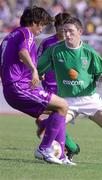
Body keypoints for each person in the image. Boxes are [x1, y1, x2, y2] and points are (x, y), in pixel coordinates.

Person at [37, 17, 102, 165]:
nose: (67, 35)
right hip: (66, 101)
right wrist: (37, 73)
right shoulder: (55, 50)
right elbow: (38, 68)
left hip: (90, 99)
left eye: (71, 31)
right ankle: (64, 150)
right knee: (54, 126)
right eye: (65, 31)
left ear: (80, 32)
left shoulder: (89, 52)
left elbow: (100, 74)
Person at [0, 6, 75, 165]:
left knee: (60, 108)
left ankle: (60, 155)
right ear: (34, 22)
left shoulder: (9, 36)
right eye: (41, 25)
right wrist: (33, 70)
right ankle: (44, 149)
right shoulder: (26, 33)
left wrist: (33, 72)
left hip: (13, 88)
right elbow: (23, 52)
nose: (42, 29)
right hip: (19, 87)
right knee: (63, 105)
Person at [36, 12, 80, 161]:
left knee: (59, 117)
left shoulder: (72, 43)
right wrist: (38, 73)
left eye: (66, 29)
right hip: (49, 85)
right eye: (60, 28)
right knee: (59, 116)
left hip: (66, 86)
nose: (63, 32)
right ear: (55, 28)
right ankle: (65, 152)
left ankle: (45, 126)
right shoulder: (47, 43)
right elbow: (38, 60)